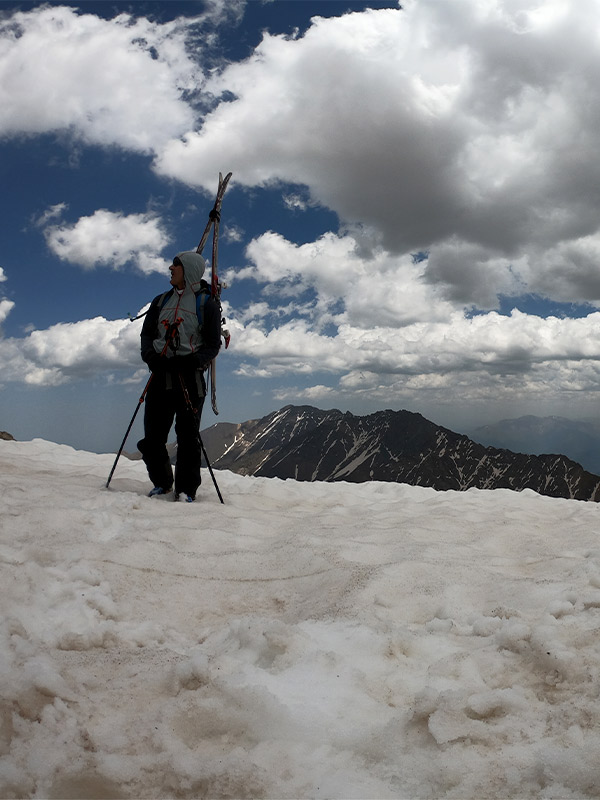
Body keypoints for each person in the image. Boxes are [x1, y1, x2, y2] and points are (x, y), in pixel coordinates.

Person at [137, 251, 221, 502]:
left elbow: (213, 344)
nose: (170, 268)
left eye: (176, 265)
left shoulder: (206, 303)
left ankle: (185, 490)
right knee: (153, 438)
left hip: (189, 378)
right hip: (162, 374)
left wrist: (193, 361)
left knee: (187, 439)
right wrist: (151, 357)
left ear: (189, 269)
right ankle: (162, 483)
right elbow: (147, 335)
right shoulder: (160, 301)